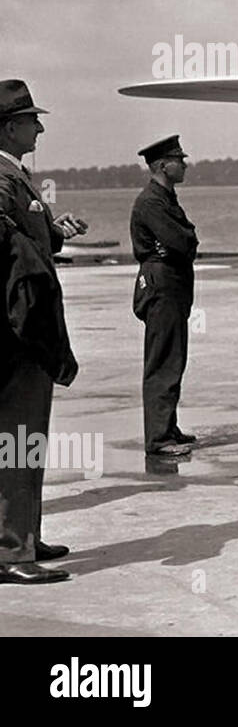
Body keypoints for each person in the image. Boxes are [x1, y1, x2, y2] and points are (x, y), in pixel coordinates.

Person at [0, 79, 84, 585]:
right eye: (32, 119)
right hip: (17, 333)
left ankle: (24, 535)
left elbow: (23, 234)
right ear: (9, 126)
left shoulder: (16, 176)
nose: (40, 127)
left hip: (23, 328)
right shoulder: (0, 177)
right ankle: (12, 550)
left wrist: (53, 229)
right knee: (18, 437)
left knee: (22, 439)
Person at [130, 135, 200, 456]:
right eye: (178, 160)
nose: (184, 164)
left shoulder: (165, 198)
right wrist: (185, 239)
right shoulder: (152, 202)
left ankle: (168, 428)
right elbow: (181, 241)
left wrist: (184, 240)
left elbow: (183, 240)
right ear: (162, 165)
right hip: (162, 284)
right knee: (163, 361)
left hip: (172, 283)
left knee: (174, 358)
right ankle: (158, 438)